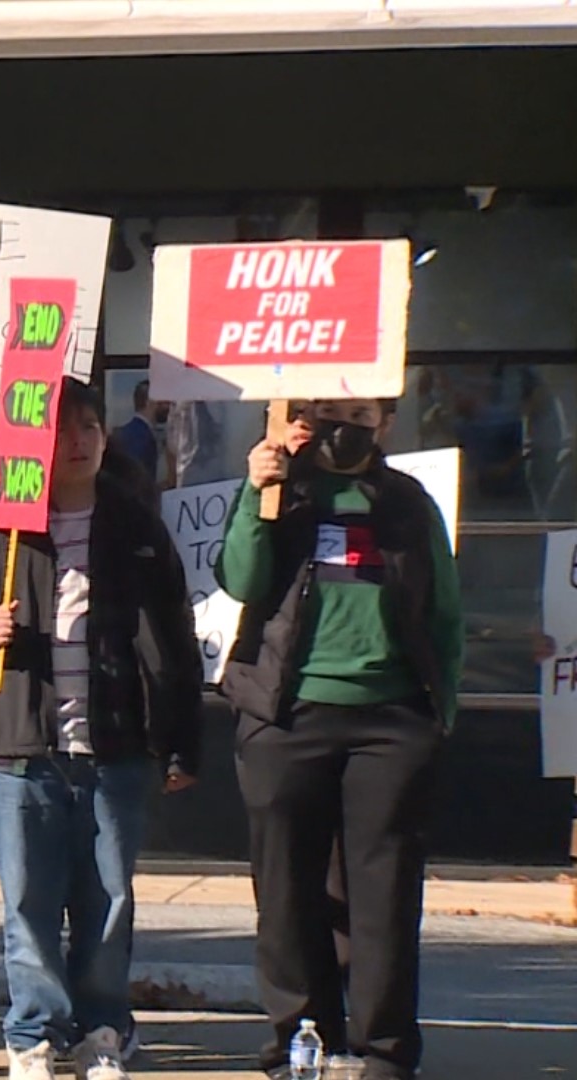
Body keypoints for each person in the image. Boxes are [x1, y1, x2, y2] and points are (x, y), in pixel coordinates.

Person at [0, 376, 202, 1080]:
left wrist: (181, 739)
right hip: (24, 744)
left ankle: (103, 1029)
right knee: (27, 901)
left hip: (117, 743)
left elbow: (174, 634)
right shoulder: (6, 522)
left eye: (89, 426)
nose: (79, 440)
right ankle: (33, 1033)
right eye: (63, 429)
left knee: (108, 899)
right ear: (37, 444)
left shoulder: (133, 521)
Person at [216, 398, 461, 1080]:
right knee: (288, 896)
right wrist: (258, 491)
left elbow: (444, 610)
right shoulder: (279, 489)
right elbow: (242, 578)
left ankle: (384, 1051)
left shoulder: (407, 503)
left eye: (358, 410)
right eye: (329, 410)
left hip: (390, 723)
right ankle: (302, 1042)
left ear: (384, 420)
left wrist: (442, 710)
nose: (342, 423)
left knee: (383, 901)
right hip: (286, 717)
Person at [110, 380, 166, 483]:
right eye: (163, 402)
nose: (168, 407)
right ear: (150, 401)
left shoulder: (131, 433)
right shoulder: (141, 437)